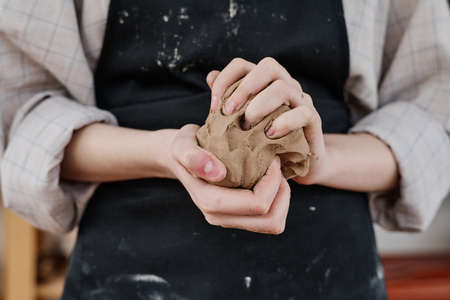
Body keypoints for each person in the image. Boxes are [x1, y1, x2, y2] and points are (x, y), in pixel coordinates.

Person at [1, 0, 449, 299]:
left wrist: (318, 156)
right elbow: (20, 119)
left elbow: (432, 118)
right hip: (129, 267)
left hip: (329, 268)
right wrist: (165, 151)